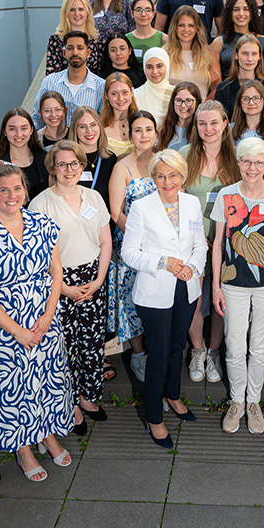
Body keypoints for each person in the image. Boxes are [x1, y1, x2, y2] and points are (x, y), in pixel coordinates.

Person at [0, 164, 73, 482]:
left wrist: (48, 315)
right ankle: (23, 447)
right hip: (4, 328)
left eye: (17, 188)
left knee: (46, 382)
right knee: (14, 389)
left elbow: (56, 272)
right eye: (4, 190)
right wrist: (19, 331)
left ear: (26, 190)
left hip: (44, 320)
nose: (12, 195)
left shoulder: (42, 223)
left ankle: (47, 434)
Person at [122, 150, 207, 449]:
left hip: (186, 286)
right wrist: (164, 262)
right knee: (157, 354)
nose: (167, 181)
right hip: (154, 290)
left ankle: (173, 395)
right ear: (153, 178)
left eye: (173, 175)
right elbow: (129, 252)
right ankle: (154, 417)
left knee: (176, 346)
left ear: (182, 176)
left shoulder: (192, 203)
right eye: (161, 175)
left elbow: (200, 244)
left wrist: (192, 267)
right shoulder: (142, 207)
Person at [211, 137, 264, 434]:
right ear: (238, 163)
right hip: (233, 283)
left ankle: (254, 401)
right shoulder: (226, 195)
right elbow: (218, 243)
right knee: (234, 344)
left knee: (259, 346)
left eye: (259, 162)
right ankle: (236, 400)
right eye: (246, 161)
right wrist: (216, 287)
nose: (252, 167)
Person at [29, 142, 112, 436]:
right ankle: (70, 405)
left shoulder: (93, 197)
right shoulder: (39, 205)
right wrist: (61, 287)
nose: (68, 170)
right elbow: (37, 255)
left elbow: (105, 242)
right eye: (62, 164)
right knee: (66, 348)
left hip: (93, 278)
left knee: (91, 343)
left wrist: (100, 280)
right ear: (52, 167)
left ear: (82, 166)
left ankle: (88, 397)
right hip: (58, 283)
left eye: (74, 164)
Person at [180, 101, 241, 385]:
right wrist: (194, 235)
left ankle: (214, 351)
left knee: (221, 300)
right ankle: (198, 350)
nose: (208, 129)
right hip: (193, 241)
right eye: (202, 123)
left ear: (225, 124)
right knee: (195, 300)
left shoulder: (238, 158)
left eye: (214, 123)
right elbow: (175, 202)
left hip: (227, 242)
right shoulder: (184, 155)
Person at [107, 111, 158, 381]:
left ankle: (157, 350)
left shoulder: (164, 163)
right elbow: (116, 213)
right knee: (132, 300)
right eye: (137, 130)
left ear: (156, 132)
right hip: (132, 248)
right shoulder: (121, 167)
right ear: (130, 134)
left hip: (161, 247)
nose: (143, 135)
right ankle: (138, 354)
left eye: (148, 129)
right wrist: (142, 240)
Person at [69, 107, 118, 228]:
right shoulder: (66, 160)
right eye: (82, 126)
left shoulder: (110, 160)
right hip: (73, 227)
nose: (89, 131)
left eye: (93, 125)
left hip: (103, 228)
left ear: (100, 126)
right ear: (75, 130)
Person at [215, 33, 264, 115]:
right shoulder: (223, 88)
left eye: (254, 54)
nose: (249, 59)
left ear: (259, 56)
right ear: (236, 55)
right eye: (245, 53)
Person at [165, 6, 220, 99]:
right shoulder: (164, 54)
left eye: (190, 25)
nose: (186, 29)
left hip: (200, 110)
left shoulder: (207, 54)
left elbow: (216, 88)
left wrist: (203, 109)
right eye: (181, 25)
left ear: (197, 28)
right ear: (174, 27)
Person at [0, 108, 49, 202]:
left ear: (31, 130)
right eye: (12, 129)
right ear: (5, 131)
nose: (19, 134)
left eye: (24, 128)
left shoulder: (46, 159)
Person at [210, 0, 264, 78]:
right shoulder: (219, 43)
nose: (241, 13)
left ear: (252, 13)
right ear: (229, 13)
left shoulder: (263, 41)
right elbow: (214, 78)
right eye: (236, 9)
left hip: (255, 90)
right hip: (226, 90)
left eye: (246, 9)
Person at [46, 0, 104, 75]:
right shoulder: (56, 40)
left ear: (87, 12)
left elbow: (102, 72)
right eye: (72, 10)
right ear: (66, 13)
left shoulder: (98, 39)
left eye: (81, 9)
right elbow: (51, 73)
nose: (77, 14)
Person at [133, 47, 175, 124]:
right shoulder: (136, 95)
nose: (155, 72)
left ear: (167, 66)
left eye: (159, 66)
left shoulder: (176, 94)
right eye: (149, 67)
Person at [101, 72, 138, 158]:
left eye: (124, 92)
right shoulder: (99, 128)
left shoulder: (142, 122)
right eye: (114, 94)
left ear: (132, 92)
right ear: (106, 95)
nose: (120, 98)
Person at [158, 82, 202, 152]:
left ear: (197, 103)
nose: (183, 105)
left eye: (189, 101)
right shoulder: (163, 130)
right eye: (178, 100)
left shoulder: (201, 131)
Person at [125, 0, 164, 68]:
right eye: (139, 10)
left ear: (153, 14)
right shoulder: (125, 39)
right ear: (132, 14)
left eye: (148, 10)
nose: (143, 14)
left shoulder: (164, 39)